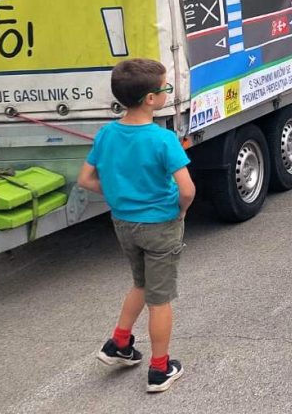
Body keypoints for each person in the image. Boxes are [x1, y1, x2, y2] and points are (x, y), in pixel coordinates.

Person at [78, 58, 196, 393]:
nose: (167, 92)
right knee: (160, 299)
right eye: (165, 88)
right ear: (151, 99)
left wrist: (120, 194)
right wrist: (181, 210)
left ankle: (119, 342)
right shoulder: (163, 139)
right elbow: (187, 189)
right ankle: (160, 369)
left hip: (124, 223)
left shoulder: (107, 134)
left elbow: (85, 179)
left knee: (141, 283)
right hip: (160, 225)